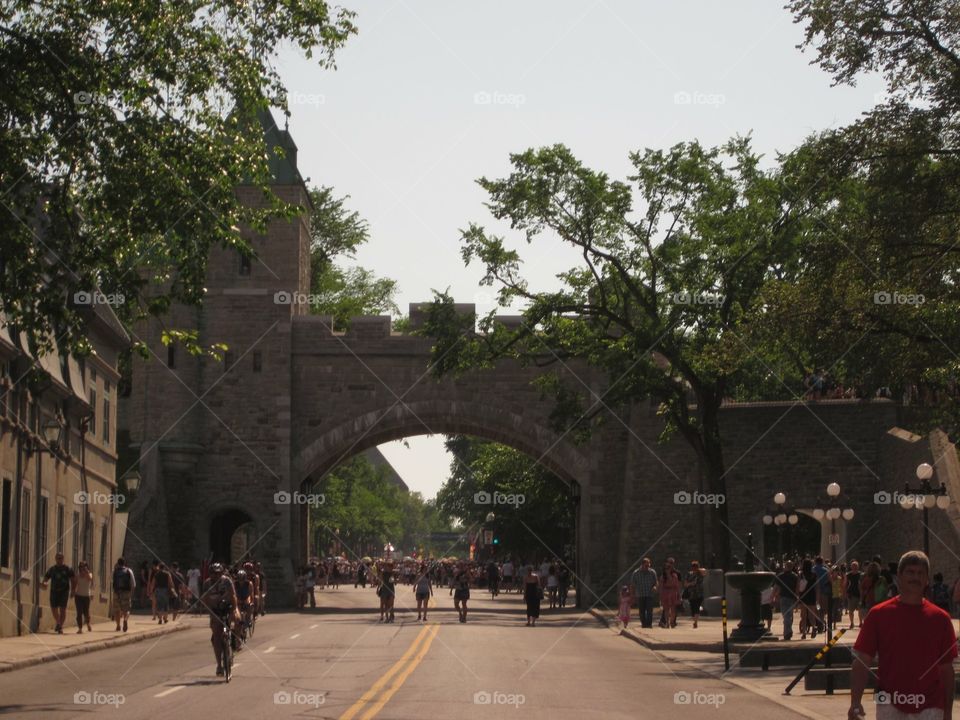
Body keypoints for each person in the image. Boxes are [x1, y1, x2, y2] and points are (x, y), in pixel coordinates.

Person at [849, 551, 957, 720]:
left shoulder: (941, 619)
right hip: (888, 702)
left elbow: (946, 669)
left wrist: (948, 712)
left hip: (931, 705)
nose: (916, 577)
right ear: (898, 576)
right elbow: (862, 660)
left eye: (921, 573)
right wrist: (855, 702)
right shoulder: (878, 614)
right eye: (910, 572)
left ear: (927, 579)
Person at [199, 563, 238, 677]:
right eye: (213, 573)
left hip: (228, 606)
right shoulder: (207, 583)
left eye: (218, 573)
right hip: (215, 609)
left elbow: (233, 596)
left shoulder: (227, 581)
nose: (215, 576)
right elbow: (205, 600)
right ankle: (219, 665)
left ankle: (235, 640)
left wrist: (234, 611)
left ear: (221, 573)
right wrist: (211, 614)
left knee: (236, 619)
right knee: (216, 636)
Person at [41, 553, 74, 634]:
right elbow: (45, 578)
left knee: (63, 609)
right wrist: (44, 583)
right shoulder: (52, 569)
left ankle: (60, 626)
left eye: (61, 558)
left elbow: (73, 579)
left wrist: (73, 590)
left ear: (63, 559)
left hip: (64, 592)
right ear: (55, 559)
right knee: (54, 608)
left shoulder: (67, 569)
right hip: (54, 591)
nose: (59, 560)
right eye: (58, 558)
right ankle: (58, 623)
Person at [772, 560, 799, 641]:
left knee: (786, 616)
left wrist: (772, 596)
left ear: (785, 566)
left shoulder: (780, 576)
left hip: (783, 597)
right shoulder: (795, 576)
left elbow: (776, 587)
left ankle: (787, 632)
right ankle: (787, 632)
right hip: (791, 598)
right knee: (789, 615)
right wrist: (797, 597)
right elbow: (797, 588)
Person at [632, 557, 658, 628]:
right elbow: (633, 585)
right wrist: (633, 595)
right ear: (642, 564)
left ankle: (649, 624)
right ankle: (644, 624)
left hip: (649, 594)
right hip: (640, 594)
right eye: (646, 566)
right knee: (642, 611)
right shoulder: (636, 573)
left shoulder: (652, 572)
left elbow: (656, 582)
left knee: (649, 610)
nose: (647, 567)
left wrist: (655, 586)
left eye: (649, 565)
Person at [112, 557, 136, 632]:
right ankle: (125, 620)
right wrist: (131, 593)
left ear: (118, 563)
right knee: (127, 609)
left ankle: (118, 625)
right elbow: (133, 584)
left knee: (117, 610)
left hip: (116, 592)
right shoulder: (129, 571)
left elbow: (111, 581)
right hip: (126, 592)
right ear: (125, 563)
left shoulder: (114, 571)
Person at [658, 558, 681, 628]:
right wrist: (660, 596)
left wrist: (679, 595)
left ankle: (672, 622)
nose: (667, 569)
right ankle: (667, 623)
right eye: (666, 568)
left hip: (673, 592)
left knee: (673, 609)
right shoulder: (663, 576)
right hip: (665, 593)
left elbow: (676, 585)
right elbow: (661, 587)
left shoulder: (675, 575)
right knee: (666, 609)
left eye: (669, 568)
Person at [72, 561, 93, 633]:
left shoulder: (89, 574)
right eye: (81, 567)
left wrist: (86, 571)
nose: (82, 568)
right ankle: (80, 628)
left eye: (84, 566)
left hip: (86, 596)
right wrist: (73, 592)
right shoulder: (77, 576)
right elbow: (74, 584)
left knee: (86, 612)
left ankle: (88, 623)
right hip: (78, 596)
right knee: (79, 612)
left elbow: (90, 578)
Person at [684, 561, 705, 629]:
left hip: (699, 594)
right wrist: (691, 584)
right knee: (692, 608)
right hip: (691, 594)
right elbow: (685, 584)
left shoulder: (700, 574)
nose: (695, 568)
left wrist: (698, 570)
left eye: (696, 567)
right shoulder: (689, 574)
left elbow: (705, 570)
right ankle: (695, 620)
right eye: (693, 567)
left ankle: (695, 622)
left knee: (697, 607)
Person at [844, 561, 863, 629]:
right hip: (851, 594)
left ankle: (861, 622)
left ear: (858, 567)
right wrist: (845, 593)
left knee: (860, 610)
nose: (854, 567)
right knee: (851, 610)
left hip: (859, 594)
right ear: (851, 567)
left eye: (856, 566)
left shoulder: (861, 575)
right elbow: (845, 584)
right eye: (853, 566)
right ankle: (852, 623)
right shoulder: (848, 575)